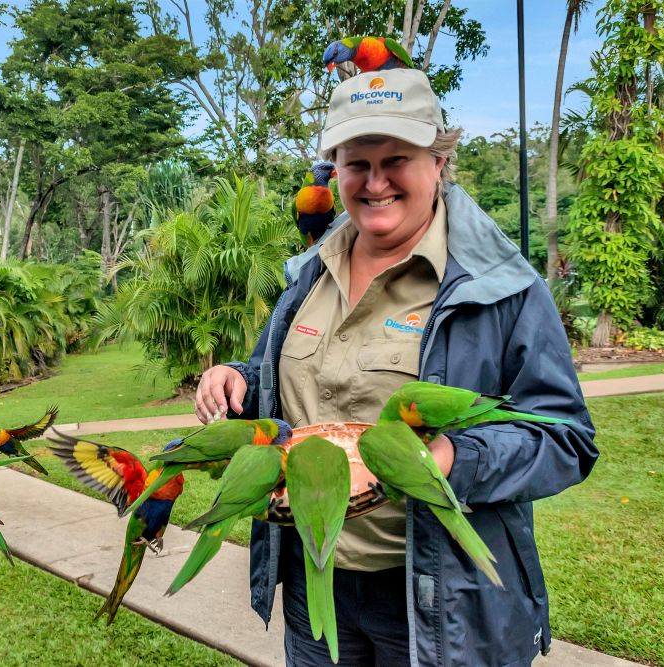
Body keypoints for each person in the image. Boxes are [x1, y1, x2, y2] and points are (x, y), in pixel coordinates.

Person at [194, 67, 598, 666]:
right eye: (357, 162)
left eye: (397, 159)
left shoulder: (501, 290)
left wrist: (448, 461)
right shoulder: (308, 275)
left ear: (438, 160)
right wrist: (238, 380)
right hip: (317, 580)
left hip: (440, 602)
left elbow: (566, 438)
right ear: (337, 170)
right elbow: (283, 386)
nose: (375, 182)